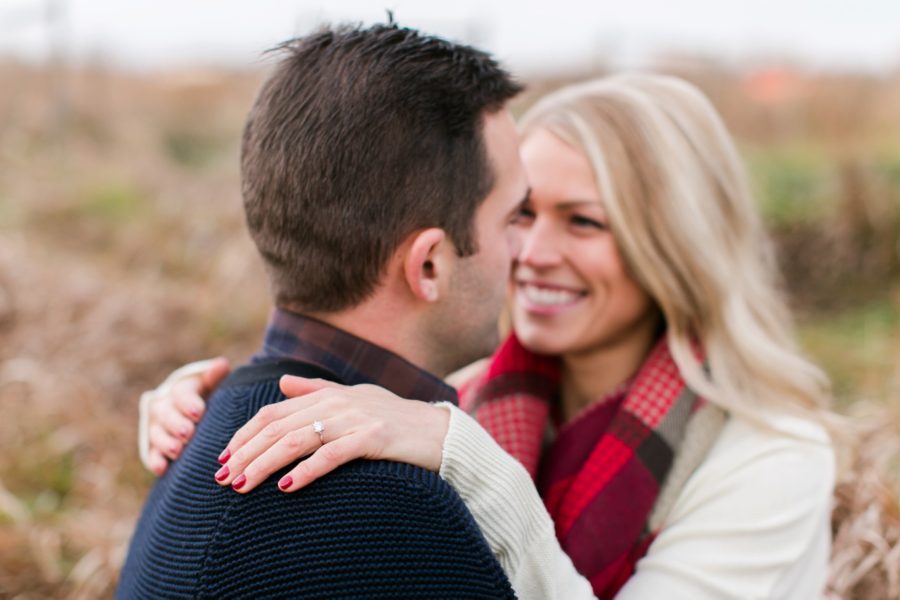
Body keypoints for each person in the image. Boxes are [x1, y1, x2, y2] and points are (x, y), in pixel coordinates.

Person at [143, 74, 837, 599]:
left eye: (583, 222)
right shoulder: (471, 395)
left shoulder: (771, 455)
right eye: (522, 213)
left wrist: (475, 467)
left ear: (677, 246)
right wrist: (219, 405)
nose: (532, 251)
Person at [118, 21, 534, 599]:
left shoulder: (202, 430)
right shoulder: (395, 515)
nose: (528, 250)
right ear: (430, 265)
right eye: (514, 217)